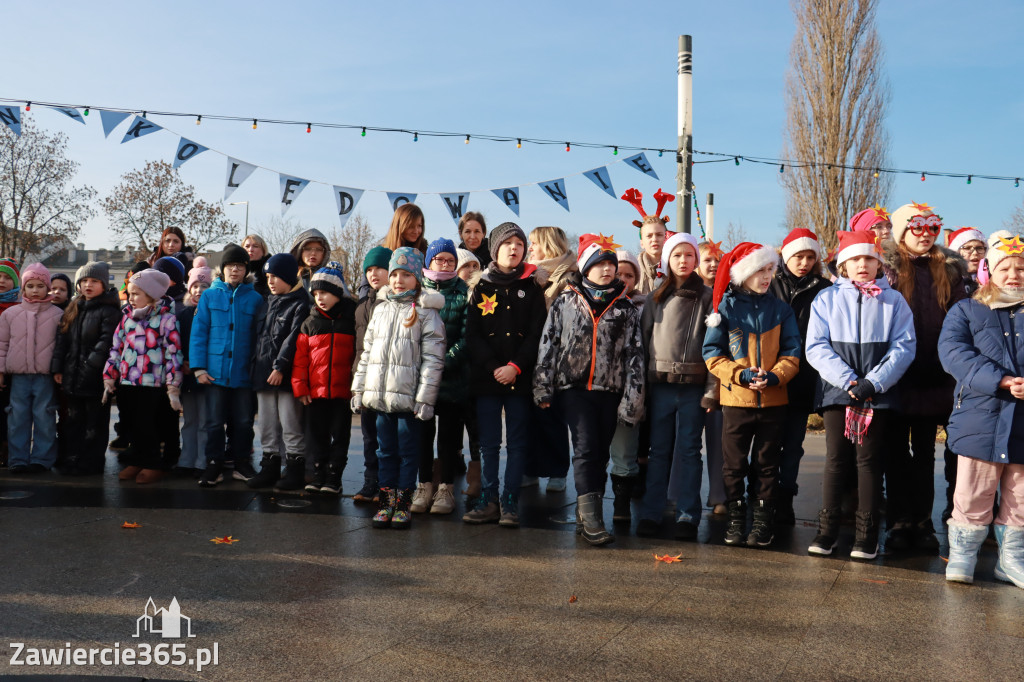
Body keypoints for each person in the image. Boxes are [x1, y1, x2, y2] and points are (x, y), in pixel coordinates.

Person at [805, 231, 916, 559]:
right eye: (854, 259)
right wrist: (848, 381)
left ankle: (867, 534)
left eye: (869, 258)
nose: (862, 265)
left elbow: (904, 346)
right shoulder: (826, 299)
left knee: (868, 461)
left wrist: (874, 383)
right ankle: (827, 531)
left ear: (879, 263)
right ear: (843, 265)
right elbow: (816, 346)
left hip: (876, 393)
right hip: (838, 391)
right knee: (836, 459)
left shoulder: (893, 300)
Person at [535, 234, 645, 545]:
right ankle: (594, 518)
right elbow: (549, 343)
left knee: (599, 453)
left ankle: (586, 516)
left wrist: (633, 399)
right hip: (573, 387)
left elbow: (635, 355)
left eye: (612, 265)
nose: (608, 270)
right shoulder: (566, 301)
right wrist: (542, 385)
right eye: (601, 265)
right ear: (586, 268)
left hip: (610, 389)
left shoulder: (625, 308)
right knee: (584, 447)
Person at [881, 202, 968, 551]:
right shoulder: (886, 270)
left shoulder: (949, 271)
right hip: (896, 375)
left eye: (932, 228)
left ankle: (923, 523)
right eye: (917, 228)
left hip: (936, 375)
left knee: (925, 454)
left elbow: (962, 318)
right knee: (895, 452)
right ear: (902, 231)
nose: (925, 235)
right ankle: (899, 523)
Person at [940, 230, 1024, 587]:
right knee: (973, 492)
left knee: (1020, 496)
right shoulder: (968, 309)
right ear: (990, 271)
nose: (1014, 274)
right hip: (980, 416)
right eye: (1006, 267)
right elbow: (954, 353)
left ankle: (1011, 560)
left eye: (1021, 268)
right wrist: (1002, 381)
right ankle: (962, 556)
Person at [703, 242, 801, 548]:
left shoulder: (781, 310)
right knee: (733, 464)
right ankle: (735, 516)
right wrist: (739, 375)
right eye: (760, 270)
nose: (766, 276)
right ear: (744, 272)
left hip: (773, 402)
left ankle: (762, 520)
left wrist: (774, 377)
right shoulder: (724, 309)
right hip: (736, 402)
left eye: (770, 269)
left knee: (767, 464)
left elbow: (793, 353)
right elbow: (712, 354)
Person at [352, 247, 445, 529]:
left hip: (408, 403)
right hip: (380, 400)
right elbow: (367, 354)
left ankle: (402, 504)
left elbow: (433, 360)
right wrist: (359, 390)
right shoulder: (380, 311)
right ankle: (386, 502)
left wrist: (425, 399)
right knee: (385, 452)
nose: (398, 280)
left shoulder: (426, 313)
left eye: (406, 274)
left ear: (418, 278)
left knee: (407, 453)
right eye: (394, 274)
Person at [633, 232, 717, 541]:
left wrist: (711, 390)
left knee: (690, 451)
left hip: (693, 386)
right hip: (661, 385)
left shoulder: (708, 297)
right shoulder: (657, 294)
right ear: (667, 259)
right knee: (658, 452)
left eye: (689, 255)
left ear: (697, 260)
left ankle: (687, 514)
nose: (683, 260)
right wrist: (640, 389)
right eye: (677, 255)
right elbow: (643, 342)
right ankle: (652, 512)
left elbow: (714, 347)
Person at [463, 222, 547, 527]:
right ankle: (489, 499)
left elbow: (537, 334)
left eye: (520, 244)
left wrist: (515, 367)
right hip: (486, 380)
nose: (514, 248)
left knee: (517, 443)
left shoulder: (533, 287)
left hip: (520, 379)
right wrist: (492, 367)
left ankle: (510, 501)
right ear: (495, 249)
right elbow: (472, 335)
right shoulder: (480, 286)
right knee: (488, 444)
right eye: (507, 243)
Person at [769, 228, 832, 524]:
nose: (804, 262)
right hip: (770, 376)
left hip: (804, 377)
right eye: (798, 256)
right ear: (785, 255)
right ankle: (762, 497)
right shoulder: (769, 282)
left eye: (810, 257)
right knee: (767, 442)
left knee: (793, 443)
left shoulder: (823, 288)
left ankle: (784, 498)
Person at [191, 244, 264, 487]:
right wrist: (198, 368)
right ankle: (214, 464)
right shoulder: (210, 295)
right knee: (214, 421)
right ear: (222, 269)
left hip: (244, 373)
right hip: (214, 373)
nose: (235, 269)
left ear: (246, 270)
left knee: (243, 421)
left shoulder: (255, 298)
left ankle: (241, 462)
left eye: (240, 266)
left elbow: (259, 337)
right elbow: (199, 332)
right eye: (231, 265)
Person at [102, 269, 183, 483]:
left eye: (136, 294)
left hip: (153, 383)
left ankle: (153, 463)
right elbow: (116, 348)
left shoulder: (166, 319)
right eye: (130, 293)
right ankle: (137, 459)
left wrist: (173, 387)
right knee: (132, 422)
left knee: (150, 425)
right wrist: (110, 375)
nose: (131, 298)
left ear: (152, 294)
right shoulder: (127, 317)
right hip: (128, 381)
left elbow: (174, 353)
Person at [288, 262, 357, 493]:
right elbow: (300, 360)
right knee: (317, 436)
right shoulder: (310, 322)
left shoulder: (351, 321)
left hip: (342, 393)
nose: (320, 298)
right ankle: (318, 473)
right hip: (316, 394)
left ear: (338, 293)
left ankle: (334, 477)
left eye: (325, 292)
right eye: (316, 293)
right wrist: (301, 387)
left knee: (340, 436)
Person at [413, 238, 469, 514]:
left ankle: (446, 488)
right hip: (422, 377)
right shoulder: (418, 291)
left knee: (448, 436)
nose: (445, 264)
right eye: (439, 259)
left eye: (450, 260)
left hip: (452, 376)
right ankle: (423, 485)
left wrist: (443, 362)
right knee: (423, 434)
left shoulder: (463, 292)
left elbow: (467, 335)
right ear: (428, 262)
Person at [52, 262, 121, 475]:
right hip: (72, 376)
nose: (88, 285)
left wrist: (89, 367)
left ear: (103, 284)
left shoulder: (109, 311)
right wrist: (58, 368)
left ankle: (91, 462)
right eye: (84, 281)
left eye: (94, 281)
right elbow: (62, 340)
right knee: (74, 421)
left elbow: (105, 343)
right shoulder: (74, 307)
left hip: (95, 379)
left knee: (95, 424)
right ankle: (71, 458)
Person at [248, 253, 310, 490]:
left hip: (283, 376)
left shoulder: (300, 304)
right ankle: (269, 467)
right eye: (268, 276)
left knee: (290, 423)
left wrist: (280, 366)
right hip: (262, 373)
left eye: (275, 276)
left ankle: (294, 470)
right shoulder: (268, 301)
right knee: (266, 424)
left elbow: (293, 339)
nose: (271, 281)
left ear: (288, 276)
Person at [523, 225, 575, 493]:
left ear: (549, 245)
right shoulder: (531, 274)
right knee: (529, 417)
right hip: (530, 352)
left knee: (551, 415)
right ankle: (530, 467)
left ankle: (557, 470)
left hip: (555, 355)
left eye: (534, 243)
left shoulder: (568, 276)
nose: (530, 248)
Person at [0, 263, 63, 473]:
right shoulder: (10, 315)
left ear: (47, 288)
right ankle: (18, 459)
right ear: (23, 288)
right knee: (17, 418)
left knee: (45, 417)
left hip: (45, 376)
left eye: (40, 286)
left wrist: (58, 370)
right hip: (18, 376)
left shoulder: (57, 315)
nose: (35, 290)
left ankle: (42, 459)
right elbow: (2, 345)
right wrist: (1, 370)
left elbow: (62, 346)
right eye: (30, 286)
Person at [608, 248, 646, 522]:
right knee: (594, 450)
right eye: (618, 273)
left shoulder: (645, 307)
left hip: (631, 388)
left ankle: (621, 502)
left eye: (629, 275)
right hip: (599, 388)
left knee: (624, 450)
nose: (622, 279)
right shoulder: (596, 302)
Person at [352, 246, 392, 503]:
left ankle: (388, 484)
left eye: (379, 268)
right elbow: (359, 348)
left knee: (387, 438)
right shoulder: (361, 307)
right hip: (366, 381)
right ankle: (370, 481)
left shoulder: (394, 304)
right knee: (368, 436)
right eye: (368, 269)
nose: (373, 273)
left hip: (389, 382)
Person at [696, 240, 727, 515]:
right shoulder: (690, 293)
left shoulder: (728, 294)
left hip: (719, 378)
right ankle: (678, 495)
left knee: (719, 442)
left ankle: (719, 496)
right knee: (686, 444)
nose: (713, 265)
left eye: (718, 260)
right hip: (690, 377)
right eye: (707, 259)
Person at [175, 257, 213, 477]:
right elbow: (177, 341)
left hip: (207, 375)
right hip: (188, 375)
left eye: (204, 286)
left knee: (205, 421)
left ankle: (203, 461)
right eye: (195, 286)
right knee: (190, 420)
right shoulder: (184, 314)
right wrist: (183, 362)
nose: (199, 290)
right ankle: (187, 459)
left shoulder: (214, 313)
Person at [455, 247, 483, 499]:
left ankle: (476, 477)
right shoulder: (449, 295)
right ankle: (446, 472)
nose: (472, 271)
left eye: (476, 266)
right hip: (452, 374)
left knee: (476, 430)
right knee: (450, 429)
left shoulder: (483, 295)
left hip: (475, 374)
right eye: (467, 266)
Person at [620, 187, 675, 295]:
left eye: (659, 235)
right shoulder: (631, 270)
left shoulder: (675, 268)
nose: (654, 239)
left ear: (666, 238)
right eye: (649, 236)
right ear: (642, 242)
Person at [0, 257, 21, 466]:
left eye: (7, 277)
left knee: (8, 411)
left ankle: (6, 447)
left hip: (11, 368)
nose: (1, 280)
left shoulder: (19, 308)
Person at [243, 234, 271, 298]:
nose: (250, 250)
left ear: (263, 250)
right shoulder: (235, 271)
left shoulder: (271, 271)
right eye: (247, 246)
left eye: (255, 246)